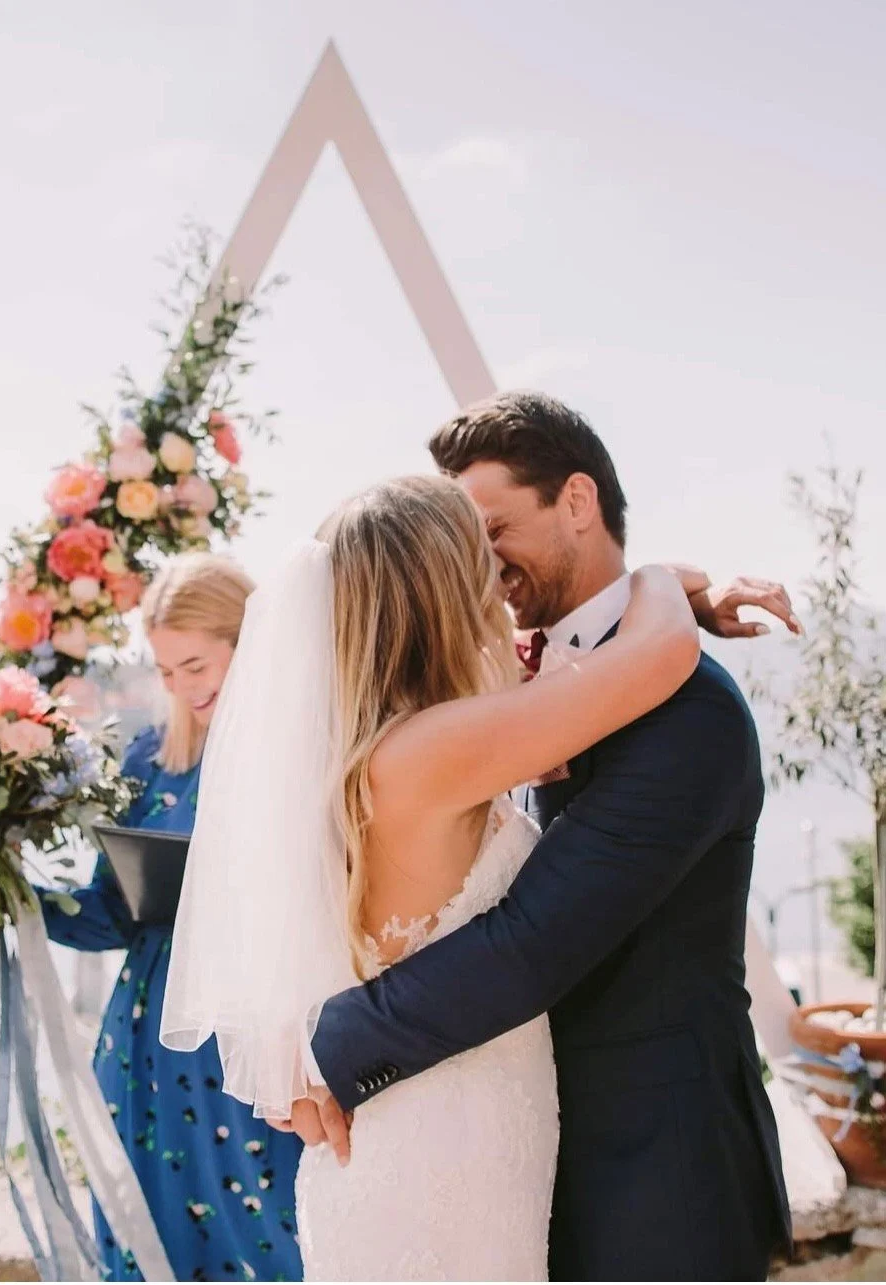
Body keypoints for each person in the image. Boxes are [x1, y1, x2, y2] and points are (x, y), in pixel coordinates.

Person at [164, 469, 781, 1280]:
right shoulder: (438, 748)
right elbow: (658, 654)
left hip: (431, 1129)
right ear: (445, 590)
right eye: (477, 560)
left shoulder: (375, 749)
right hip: (445, 1147)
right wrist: (659, 582)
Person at [40, 553, 304, 1283]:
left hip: (253, 1048)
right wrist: (17, 896)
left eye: (196, 665)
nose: (184, 689)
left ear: (251, 641)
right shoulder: (154, 757)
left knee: (278, 1241)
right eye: (165, 673)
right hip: (146, 1052)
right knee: (148, 1247)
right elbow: (106, 916)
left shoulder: (308, 751)